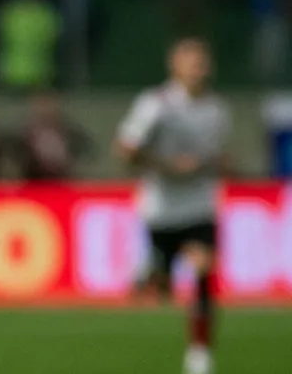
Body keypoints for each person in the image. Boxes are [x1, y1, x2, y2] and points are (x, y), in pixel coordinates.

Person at [114, 37, 232, 374]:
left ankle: (199, 354)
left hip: (200, 205)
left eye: (202, 63)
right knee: (162, 286)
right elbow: (125, 150)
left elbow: (217, 155)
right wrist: (168, 166)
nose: (198, 69)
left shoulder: (217, 110)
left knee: (204, 268)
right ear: (175, 66)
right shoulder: (156, 104)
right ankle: (151, 274)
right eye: (192, 63)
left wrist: (215, 165)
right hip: (162, 208)